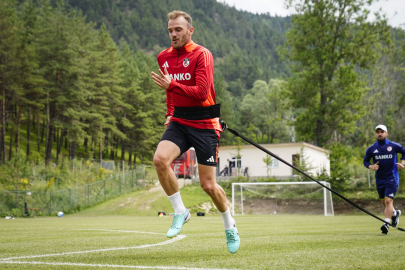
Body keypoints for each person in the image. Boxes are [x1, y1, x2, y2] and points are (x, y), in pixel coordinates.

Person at [151, 10, 240, 253]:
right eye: (170, 30)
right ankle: (180, 210)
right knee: (160, 160)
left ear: (190, 31)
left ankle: (229, 224)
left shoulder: (202, 55)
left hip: (205, 124)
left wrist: (173, 85)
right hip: (180, 120)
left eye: (178, 30)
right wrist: (170, 112)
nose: (173, 34)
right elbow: (170, 93)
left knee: (208, 186)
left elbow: (201, 93)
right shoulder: (163, 57)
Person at [363, 124, 405, 234]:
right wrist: (371, 166)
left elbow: (404, 152)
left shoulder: (393, 146)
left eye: (382, 131)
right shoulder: (372, 148)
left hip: (392, 178)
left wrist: (402, 163)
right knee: (384, 202)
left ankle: (386, 224)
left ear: (386, 133)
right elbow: (365, 161)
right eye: (378, 132)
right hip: (380, 179)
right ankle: (395, 214)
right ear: (375, 134)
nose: (380, 133)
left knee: (388, 201)